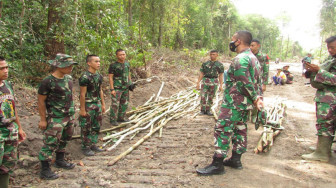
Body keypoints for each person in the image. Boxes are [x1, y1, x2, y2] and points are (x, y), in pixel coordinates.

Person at [196, 31, 263, 175]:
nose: (231, 42)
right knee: (240, 128)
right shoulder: (254, 58)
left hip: (234, 103)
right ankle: (236, 159)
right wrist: (258, 98)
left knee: (223, 129)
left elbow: (245, 82)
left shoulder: (241, 59)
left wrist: (257, 98)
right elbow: (258, 82)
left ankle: (217, 163)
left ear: (238, 41)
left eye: (232, 40)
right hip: (244, 104)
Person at [37, 53, 77, 180]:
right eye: (67, 65)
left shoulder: (69, 78)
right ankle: (45, 169)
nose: (70, 67)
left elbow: (70, 96)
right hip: (56, 117)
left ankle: (60, 160)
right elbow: (41, 101)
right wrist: (43, 119)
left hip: (68, 115)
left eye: (71, 65)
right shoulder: (48, 81)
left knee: (65, 138)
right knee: (50, 142)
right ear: (58, 66)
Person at [301, 35, 336, 162]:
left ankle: (322, 153)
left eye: (332, 48)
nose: (330, 50)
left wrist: (319, 71)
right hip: (327, 98)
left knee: (326, 124)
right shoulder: (331, 59)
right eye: (328, 48)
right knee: (326, 124)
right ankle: (323, 149)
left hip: (331, 99)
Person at [0, 57, 26, 188]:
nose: (5, 71)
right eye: (1, 68)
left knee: (7, 164)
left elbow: (13, 108)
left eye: (6, 67)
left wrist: (19, 128)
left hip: (10, 129)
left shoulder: (7, 85)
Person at [79, 55, 106, 156]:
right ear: (89, 63)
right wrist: (82, 109)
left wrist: (103, 104)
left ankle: (93, 144)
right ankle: (85, 146)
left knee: (96, 125)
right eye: (96, 61)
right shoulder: (85, 77)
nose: (98, 63)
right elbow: (82, 94)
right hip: (88, 104)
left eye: (99, 61)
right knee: (86, 126)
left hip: (97, 103)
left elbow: (100, 90)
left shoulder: (99, 76)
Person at [108, 49, 133, 126]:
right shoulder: (113, 66)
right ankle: (113, 119)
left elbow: (128, 74)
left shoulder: (127, 64)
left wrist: (130, 83)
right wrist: (112, 89)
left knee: (124, 103)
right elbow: (110, 78)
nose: (122, 56)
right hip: (117, 87)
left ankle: (121, 118)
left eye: (123, 54)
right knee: (115, 104)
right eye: (120, 55)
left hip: (125, 87)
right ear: (117, 56)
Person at [196, 50, 224, 115]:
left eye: (214, 54)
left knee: (211, 96)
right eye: (211, 54)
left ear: (217, 55)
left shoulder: (220, 65)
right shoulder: (205, 64)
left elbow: (221, 75)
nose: (212, 56)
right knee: (203, 95)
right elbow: (201, 73)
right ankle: (202, 110)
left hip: (214, 81)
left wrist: (221, 85)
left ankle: (208, 110)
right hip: (205, 80)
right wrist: (198, 82)